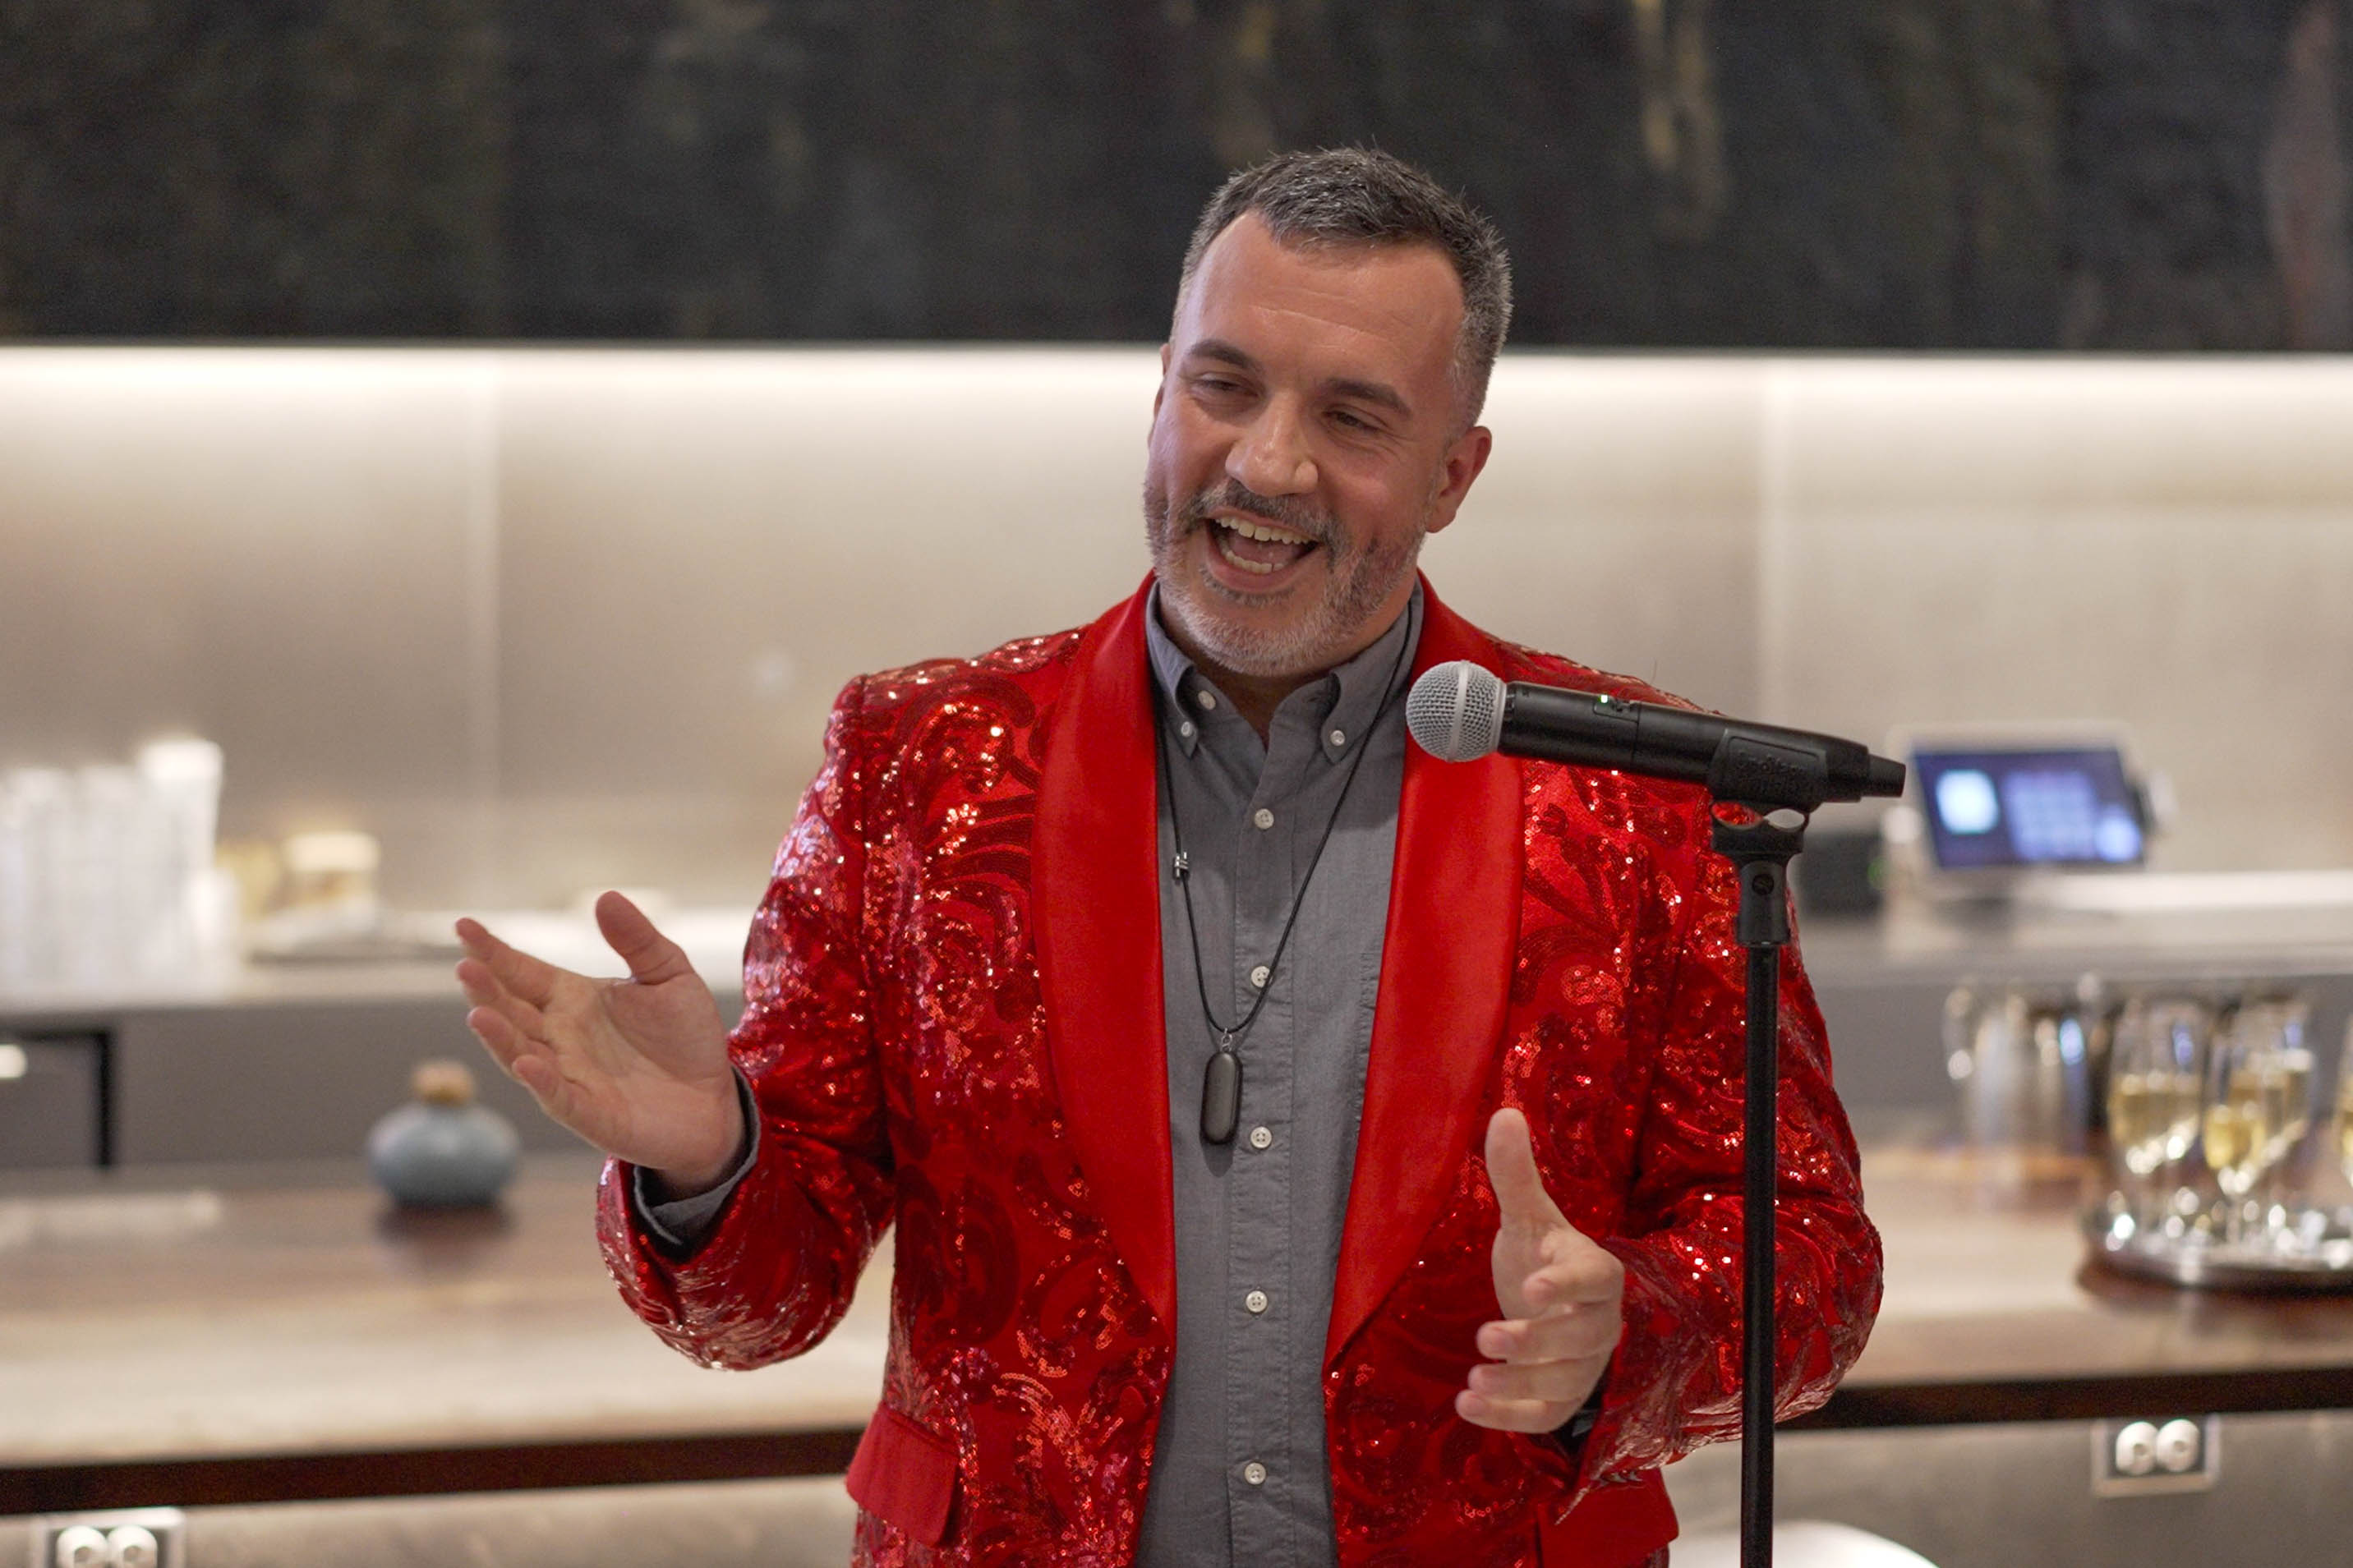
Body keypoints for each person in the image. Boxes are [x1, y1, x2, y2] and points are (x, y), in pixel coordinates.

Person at [455, 148, 1880, 1568]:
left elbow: (1813, 1258)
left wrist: (1633, 1327)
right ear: (1159, 394)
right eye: (1225, 386)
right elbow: (763, 1304)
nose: (1266, 463)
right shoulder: (920, 765)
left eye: (1353, 417)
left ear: (1454, 473)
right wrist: (709, 1159)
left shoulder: (1636, 795)